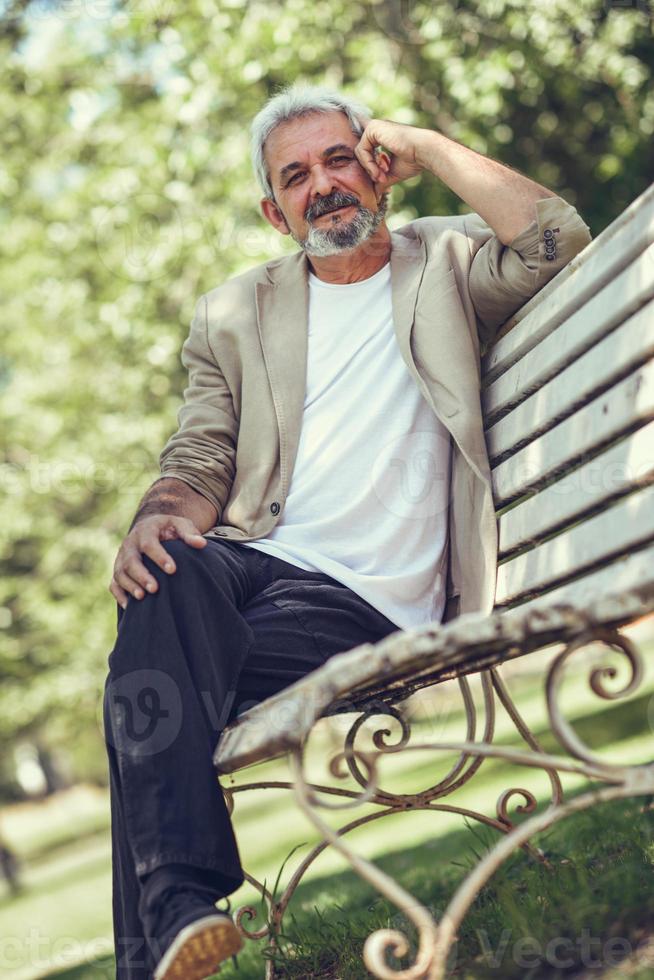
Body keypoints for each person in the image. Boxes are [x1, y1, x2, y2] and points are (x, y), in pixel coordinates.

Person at [103, 84, 592, 979]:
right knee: (163, 584)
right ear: (273, 210)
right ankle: (174, 906)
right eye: (296, 177)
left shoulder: (445, 258)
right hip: (261, 563)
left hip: (372, 598)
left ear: (374, 168)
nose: (322, 185)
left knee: (139, 688)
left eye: (339, 159)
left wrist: (431, 145)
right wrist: (157, 520)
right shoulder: (232, 312)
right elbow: (203, 449)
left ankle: (169, 918)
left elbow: (558, 238)